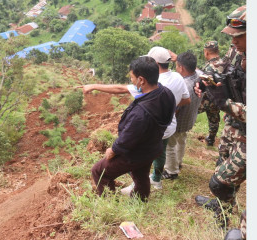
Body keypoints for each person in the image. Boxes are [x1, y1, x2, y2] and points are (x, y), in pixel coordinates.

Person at [85, 56, 175, 201]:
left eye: (132, 78)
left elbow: (127, 139)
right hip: (152, 146)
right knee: (141, 175)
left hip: (136, 152)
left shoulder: (141, 113)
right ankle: (140, 201)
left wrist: (112, 150)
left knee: (99, 171)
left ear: (141, 80)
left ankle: (109, 204)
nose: (131, 81)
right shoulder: (166, 93)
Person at [194, 5, 247, 231]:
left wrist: (224, 103)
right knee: (221, 163)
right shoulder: (237, 51)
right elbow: (225, 70)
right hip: (233, 124)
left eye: (239, 36)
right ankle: (222, 207)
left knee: (221, 181)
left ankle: (225, 221)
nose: (233, 41)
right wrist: (207, 83)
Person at [126, 47, 190, 191]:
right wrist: (170, 105)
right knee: (160, 152)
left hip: (152, 128)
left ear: (154, 63)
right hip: (169, 124)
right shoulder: (178, 77)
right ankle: (156, 179)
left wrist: (93, 86)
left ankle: (138, 184)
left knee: (140, 155)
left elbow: (120, 89)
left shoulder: (151, 82)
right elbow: (187, 100)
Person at [163, 51, 202, 178]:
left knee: (170, 145)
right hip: (189, 118)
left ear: (181, 68)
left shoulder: (182, 84)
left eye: (177, 66)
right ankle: (178, 162)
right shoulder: (198, 77)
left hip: (179, 120)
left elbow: (176, 107)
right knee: (182, 140)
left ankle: (171, 171)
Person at [197, 41, 227, 146]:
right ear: (218, 51)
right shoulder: (225, 63)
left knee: (190, 111)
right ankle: (211, 140)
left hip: (206, 99)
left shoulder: (209, 66)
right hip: (219, 99)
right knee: (214, 119)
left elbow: (206, 79)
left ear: (206, 52)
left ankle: (181, 131)